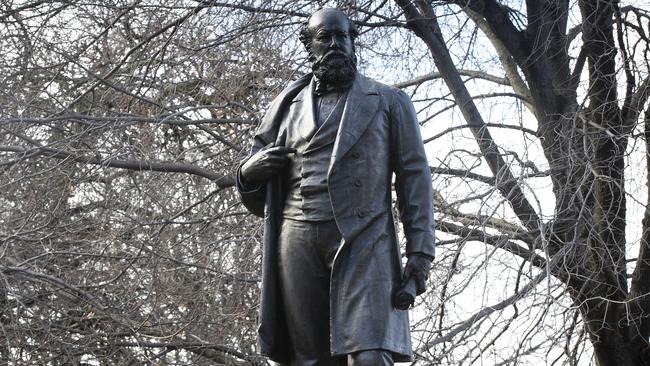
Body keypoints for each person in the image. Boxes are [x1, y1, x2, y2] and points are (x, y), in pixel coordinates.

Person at [236, 8, 435, 366]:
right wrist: (247, 174)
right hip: (297, 239)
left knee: (371, 357)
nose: (334, 45)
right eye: (324, 38)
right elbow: (258, 196)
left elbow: (415, 180)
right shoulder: (284, 107)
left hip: (365, 239)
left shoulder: (389, 102)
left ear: (353, 41)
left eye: (342, 37)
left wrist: (420, 254)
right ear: (309, 45)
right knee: (309, 359)